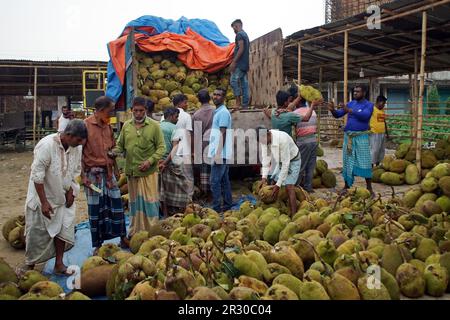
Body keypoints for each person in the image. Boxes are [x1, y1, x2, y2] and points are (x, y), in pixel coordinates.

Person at [23, 120, 86, 275]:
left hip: (63, 197)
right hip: (43, 196)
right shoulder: (46, 146)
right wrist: (44, 202)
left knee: (64, 228)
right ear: (68, 135)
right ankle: (29, 265)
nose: (80, 144)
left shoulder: (76, 147)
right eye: (78, 140)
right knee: (37, 232)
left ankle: (59, 263)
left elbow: (76, 170)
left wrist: (72, 190)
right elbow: (37, 176)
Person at [113, 97, 166, 236]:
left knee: (150, 204)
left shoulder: (154, 126)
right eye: (135, 111)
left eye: (141, 111)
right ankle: (136, 232)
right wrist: (114, 152)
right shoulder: (126, 126)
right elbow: (120, 144)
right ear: (131, 111)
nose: (138, 114)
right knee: (135, 204)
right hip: (132, 172)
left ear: (146, 111)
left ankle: (152, 232)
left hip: (149, 172)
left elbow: (161, 148)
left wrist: (150, 161)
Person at [82, 96, 127, 254]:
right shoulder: (85, 125)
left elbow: (113, 148)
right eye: (110, 111)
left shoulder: (108, 127)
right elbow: (79, 153)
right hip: (93, 176)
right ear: (100, 111)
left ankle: (123, 236)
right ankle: (97, 244)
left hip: (108, 175)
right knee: (96, 209)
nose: (111, 113)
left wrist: (115, 168)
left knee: (116, 204)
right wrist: (83, 176)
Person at [328, 85, 375, 197]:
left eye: (358, 92)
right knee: (347, 161)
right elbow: (338, 115)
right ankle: (346, 186)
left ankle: (369, 188)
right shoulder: (351, 103)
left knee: (365, 162)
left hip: (361, 137)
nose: (355, 93)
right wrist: (333, 110)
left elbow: (365, 116)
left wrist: (349, 110)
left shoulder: (369, 105)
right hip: (348, 137)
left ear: (364, 92)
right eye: (354, 92)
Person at [258, 126, 301, 216]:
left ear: (268, 134)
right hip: (280, 161)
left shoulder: (282, 140)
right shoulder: (264, 140)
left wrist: (278, 185)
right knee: (273, 181)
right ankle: (278, 206)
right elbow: (266, 159)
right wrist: (264, 177)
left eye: (263, 141)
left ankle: (294, 215)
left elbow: (286, 164)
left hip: (293, 161)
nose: (263, 144)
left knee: (289, 187)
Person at [159, 107, 193, 217]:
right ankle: (183, 210)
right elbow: (175, 148)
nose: (177, 119)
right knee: (183, 187)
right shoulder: (175, 129)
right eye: (176, 117)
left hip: (157, 163)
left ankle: (165, 213)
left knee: (162, 189)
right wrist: (165, 162)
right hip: (169, 163)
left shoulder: (157, 126)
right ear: (171, 116)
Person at [162, 94, 195, 199]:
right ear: (180, 103)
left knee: (171, 178)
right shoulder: (186, 116)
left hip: (169, 153)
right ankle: (189, 199)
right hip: (183, 151)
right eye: (185, 102)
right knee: (187, 177)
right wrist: (192, 151)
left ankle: (172, 199)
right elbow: (189, 134)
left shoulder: (164, 116)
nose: (187, 105)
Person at [288, 85, 320, 192]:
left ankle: (295, 187)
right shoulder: (313, 112)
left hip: (303, 141)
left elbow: (291, 123)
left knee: (300, 166)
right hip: (313, 140)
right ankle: (308, 187)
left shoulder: (295, 113)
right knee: (310, 166)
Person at [208, 88, 233, 214]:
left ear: (223, 98)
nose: (216, 96)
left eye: (219, 95)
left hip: (220, 153)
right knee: (224, 180)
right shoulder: (218, 112)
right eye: (214, 94)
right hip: (221, 152)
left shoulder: (223, 113)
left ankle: (216, 207)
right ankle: (228, 204)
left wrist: (217, 153)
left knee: (214, 181)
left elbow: (222, 133)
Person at [192, 89, 215, 197]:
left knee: (205, 169)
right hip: (216, 142)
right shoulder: (216, 111)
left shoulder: (196, 115)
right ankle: (217, 192)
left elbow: (196, 134)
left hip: (204, 144)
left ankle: (207, 193)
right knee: (216, 168)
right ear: (209, 99)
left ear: (199, 100)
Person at [230, 19, 250, 109]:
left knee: (233, 81)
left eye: (233, 28)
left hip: (239, 64)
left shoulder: (239, 35)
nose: (233, 30)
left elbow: (241, 49)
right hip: (245, 64)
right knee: (244, 84)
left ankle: (238, 103)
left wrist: (234, 62)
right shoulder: (245, 35)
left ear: (236, 26)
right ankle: (245, 104)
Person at [370, 95, 388, 167]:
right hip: (374, 133)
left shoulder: (382, 110)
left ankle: (378, 165)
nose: (384, 105)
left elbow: (384, 121)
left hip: (382, 133)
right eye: (383, 103)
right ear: (379, 102)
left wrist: (387, 132)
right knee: (374, 150)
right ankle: (371, 166)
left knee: (381, 150)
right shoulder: (372, 109)